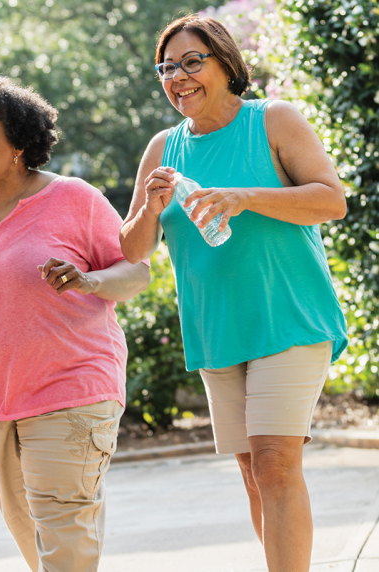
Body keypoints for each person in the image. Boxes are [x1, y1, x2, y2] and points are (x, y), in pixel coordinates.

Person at [120, 15, 348, 572]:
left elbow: (331, 200)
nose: (178, 77)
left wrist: (244, 197)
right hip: (217, 331)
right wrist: (150, 208)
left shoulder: (272, 120)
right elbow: (132, 248)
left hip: (287, 318)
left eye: (191, 62)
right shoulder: (162, 148)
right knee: (252, 473)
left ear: (225, 63)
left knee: (274, 462)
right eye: (167, 68)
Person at [0, 75, 150, 571]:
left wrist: (88, 281)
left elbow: (135, 272)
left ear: (18, 146)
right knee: (35, 544)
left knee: (63, 539)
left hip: (72, 389)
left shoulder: (75, 198)